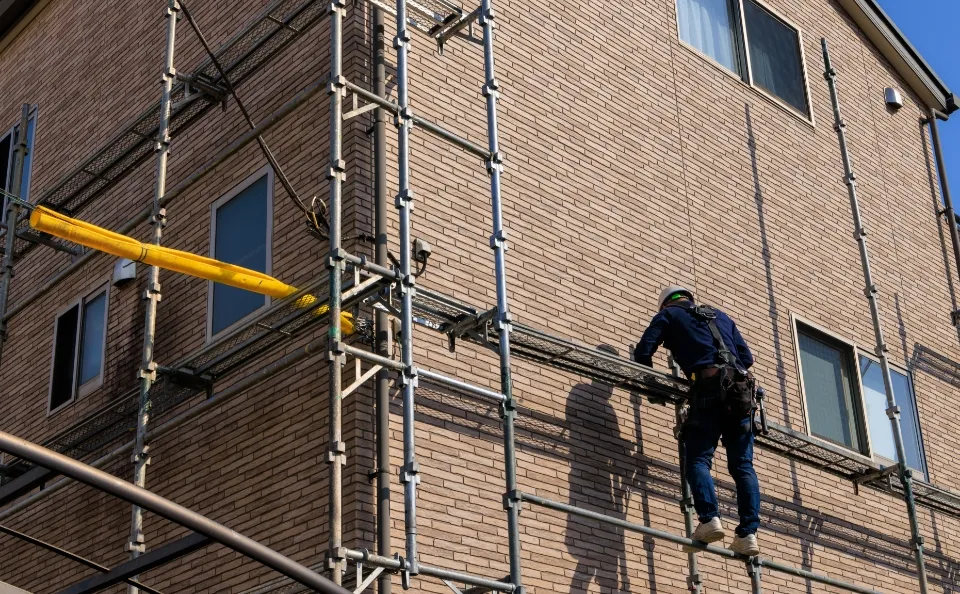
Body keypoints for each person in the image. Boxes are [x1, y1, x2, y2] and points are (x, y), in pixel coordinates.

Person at [634, 285, 761, 556]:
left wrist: (652, 386)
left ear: (665, 304)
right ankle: (748, 534)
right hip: (742, 395)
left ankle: (709, 519)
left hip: (709, 391)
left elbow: (644, 351)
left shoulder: (668, 315)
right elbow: (747, 359)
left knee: (698, 460)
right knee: (742, 467)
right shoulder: (721, 316)